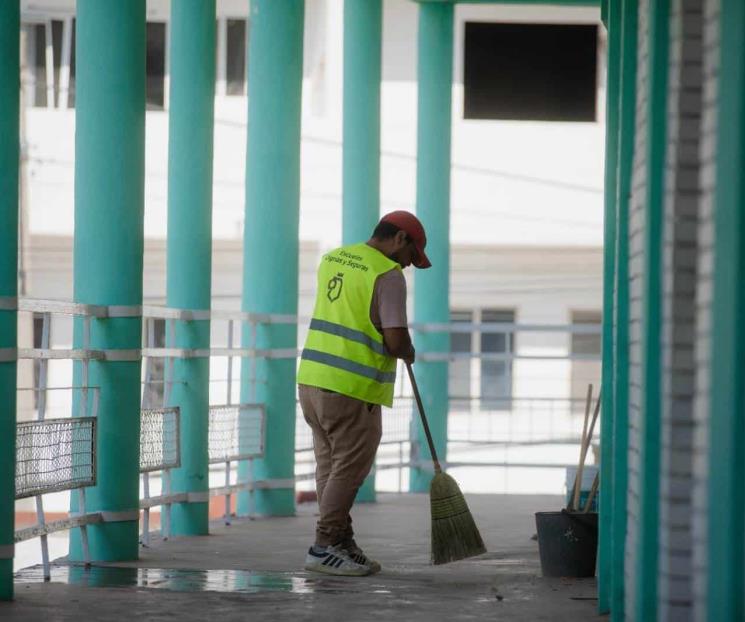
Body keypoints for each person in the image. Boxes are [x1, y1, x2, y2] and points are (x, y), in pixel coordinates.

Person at [297, 210, 431, 576]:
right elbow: (394, 337)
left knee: (329, 464)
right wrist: (408, 351)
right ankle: (324, 546)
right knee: (349, 467)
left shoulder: (333, 258)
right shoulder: (386, 275)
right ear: (400, 239)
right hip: (350, 386)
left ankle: (340, 540)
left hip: (311, 378)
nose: (408, 266)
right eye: (411, 257)